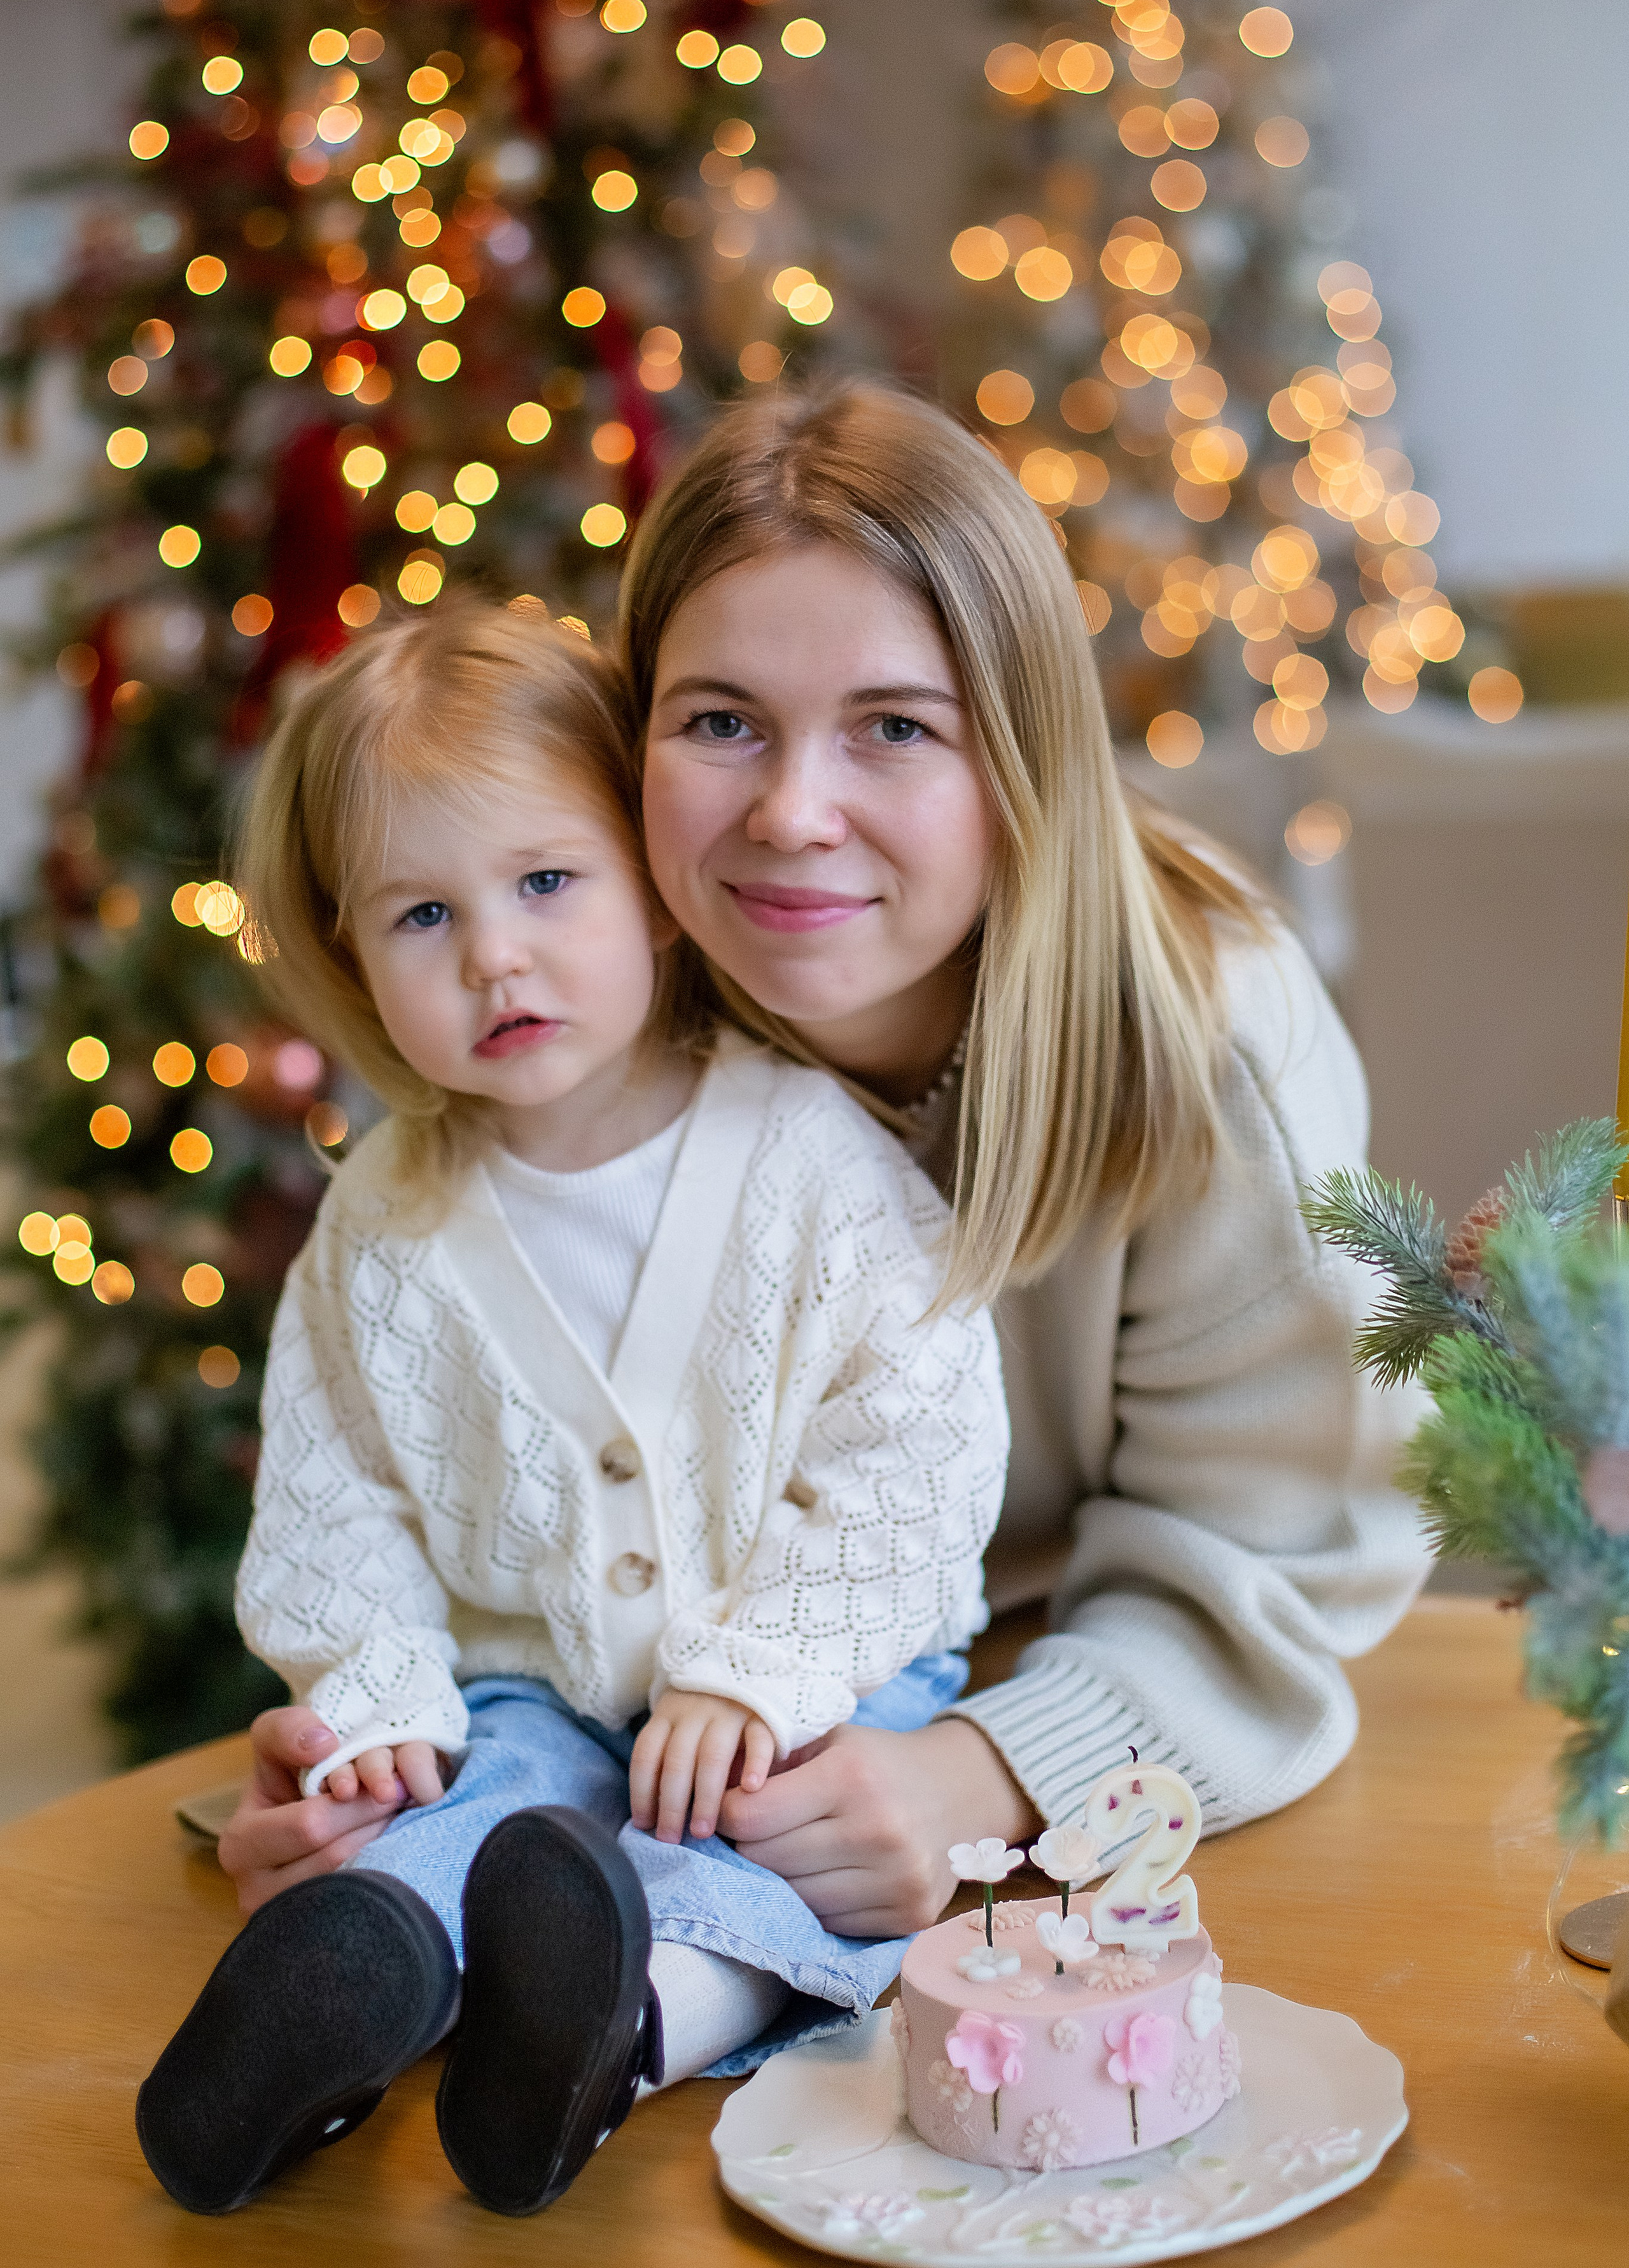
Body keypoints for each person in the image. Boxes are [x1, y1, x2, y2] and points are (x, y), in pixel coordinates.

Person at [221, 384, 1427, 1950]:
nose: (790, 816)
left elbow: (1276, 1572)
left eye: (895, 727)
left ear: (1017, 752)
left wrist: (984, 1774)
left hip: (1091, 1814)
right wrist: (380, 1759)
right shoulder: (580, 1008)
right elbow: (482, 1476)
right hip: (661, 1782)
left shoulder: (1202, 1049)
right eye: (719, 721)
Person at [136, 597, 1009, 2216]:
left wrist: (760, 1675)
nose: (493, 956)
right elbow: (335, 1498)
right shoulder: (385, 1223)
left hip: (818, 1685)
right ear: (348, 955)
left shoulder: (809, 1166)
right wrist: (380, 1698)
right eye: (419, 917)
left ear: (659, 894)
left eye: (546, 882)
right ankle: (349, 1996)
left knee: (778, 1869)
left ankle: (618, 2032)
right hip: (536, 1689)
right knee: (484, 1812)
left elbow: (920, 1446)